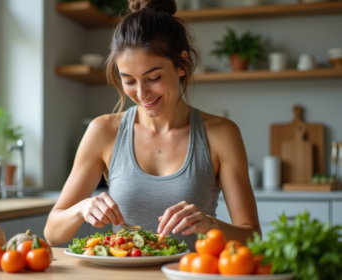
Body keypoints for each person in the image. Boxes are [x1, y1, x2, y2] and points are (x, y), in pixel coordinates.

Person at [44, 0, 261, 251]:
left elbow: (253, 237)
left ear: (183, 64)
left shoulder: (221, 134)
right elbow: (52, 233)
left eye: (154, 78)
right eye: (128, 80)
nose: (141, 93)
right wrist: (82, 208)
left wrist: (210, 225)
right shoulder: (103, 131)